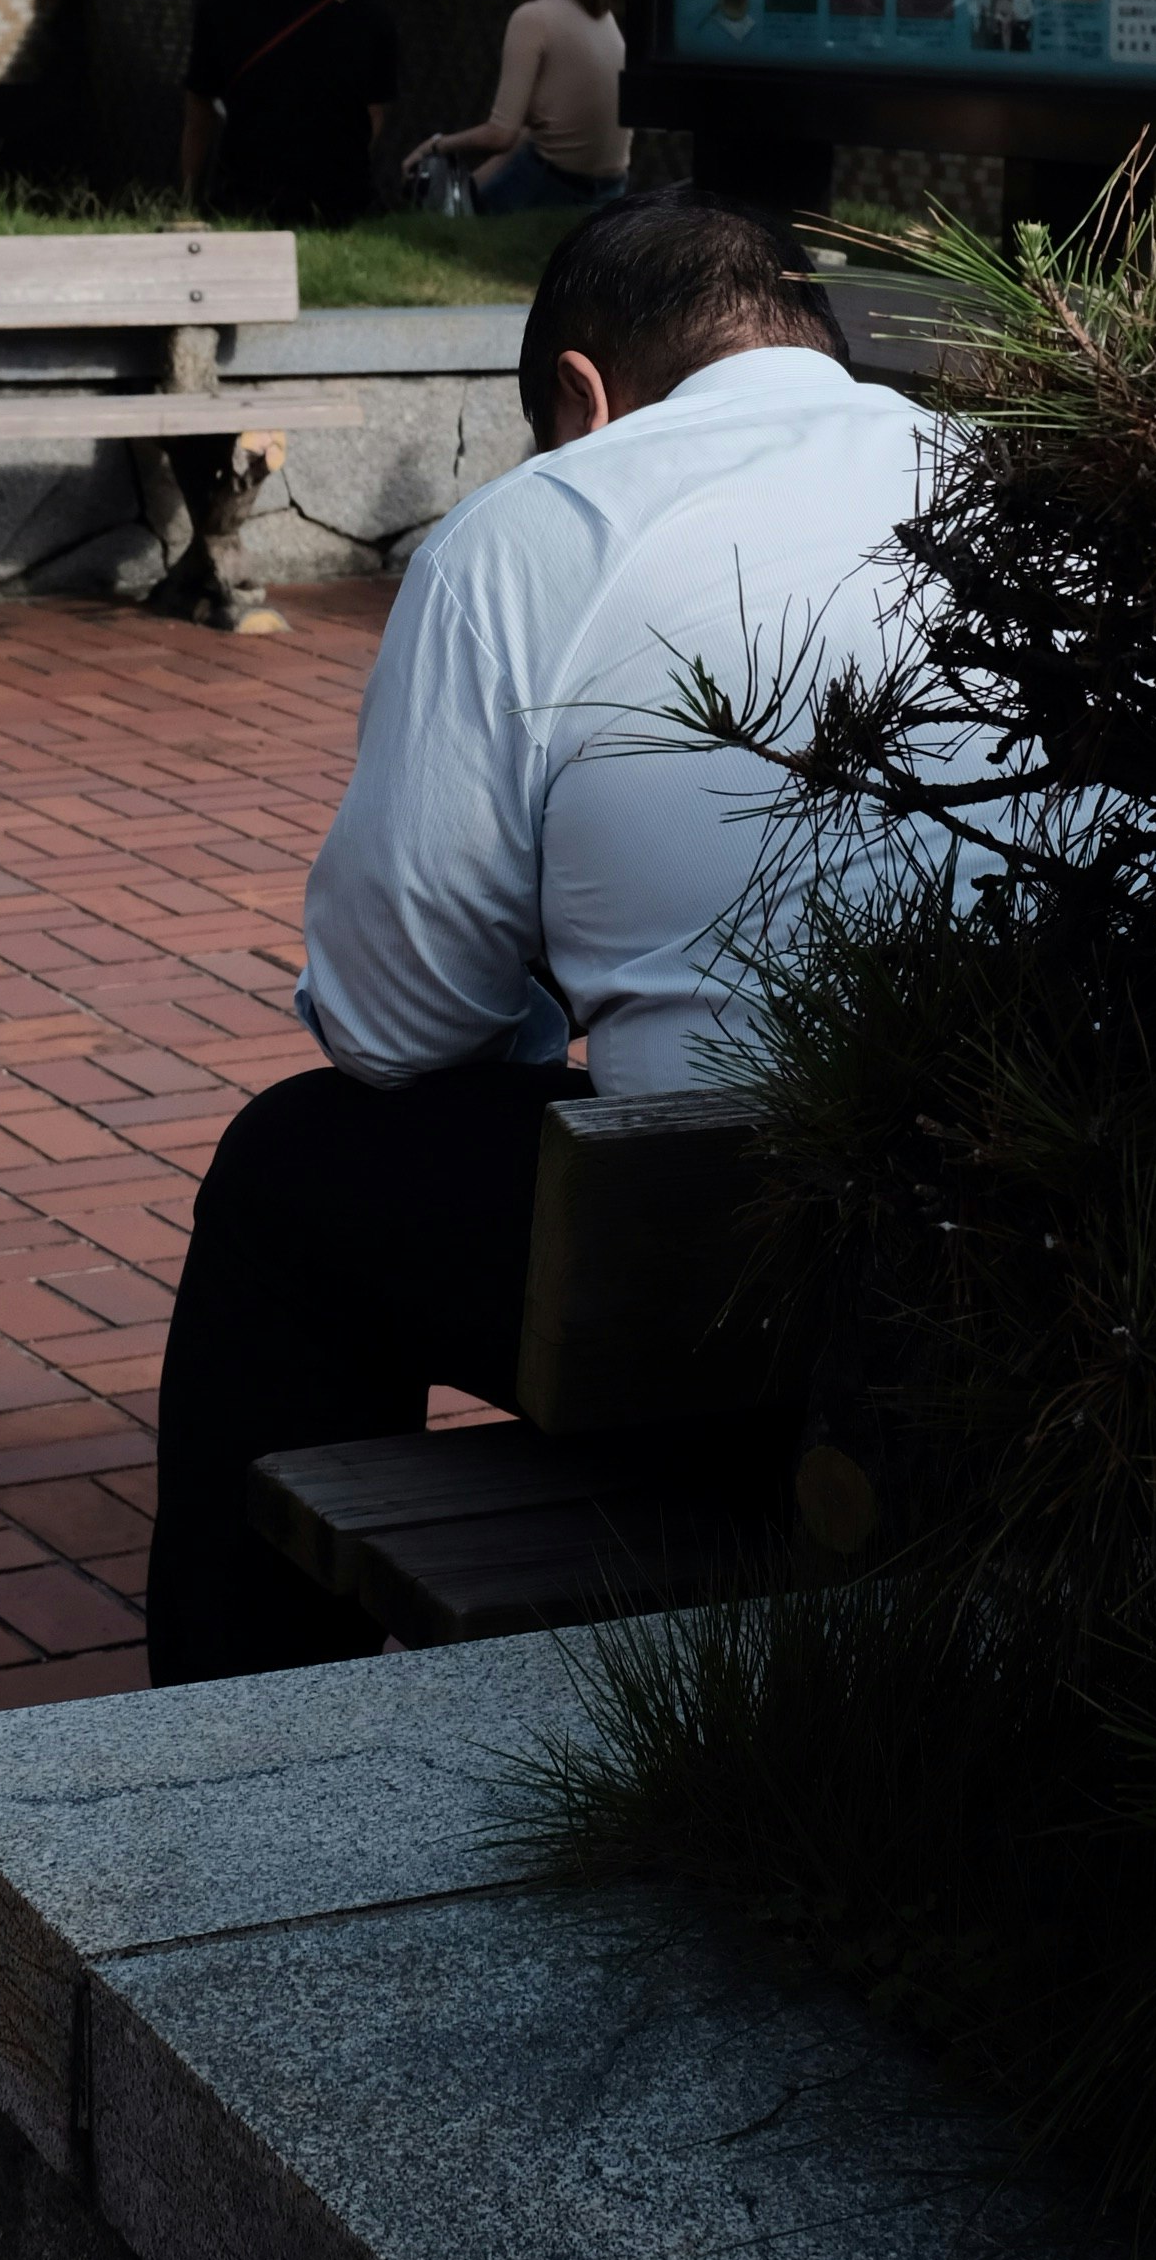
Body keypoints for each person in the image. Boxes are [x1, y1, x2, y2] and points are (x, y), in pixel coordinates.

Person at [141, 188, 928, 1685]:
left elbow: (390, 1023)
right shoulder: (1022, 484)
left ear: (579, 388)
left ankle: (239, 1759)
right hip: (1106, 1249)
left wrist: (541, 998)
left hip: (753, 1308)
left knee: (294, 1172)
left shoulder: (542, 527)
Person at [179, 0, 398, 226]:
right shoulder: (371, 19)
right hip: (339, 209)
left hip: (242, 202)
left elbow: (198, 119)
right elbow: (371, 119)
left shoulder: (220, 7)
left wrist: (188, 199)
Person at [403, 0, 628, 215]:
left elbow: (500, 135)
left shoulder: (533, 18)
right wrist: (473, 187)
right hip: (610, 187)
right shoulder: (598, 13)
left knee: (445, 215)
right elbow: (531, 137)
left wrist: (435, 145)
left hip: (557, 186)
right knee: (472, 203)